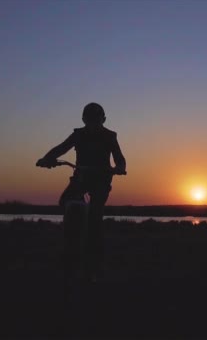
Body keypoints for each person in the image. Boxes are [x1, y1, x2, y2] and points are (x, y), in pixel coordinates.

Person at [37, 102, 126, 283]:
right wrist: (47, 158)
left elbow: (119, 158)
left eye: (97, 120)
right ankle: (71, 239)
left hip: (101, 179)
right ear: (84, 120)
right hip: (81, 177)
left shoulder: (110, 136)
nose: (93, 124)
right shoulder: (78, 135)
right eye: (90, 120)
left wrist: (119, 168)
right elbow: (61, 148)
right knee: (65, 201)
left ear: (103, 120)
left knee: (95, 215)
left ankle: (95, 262)